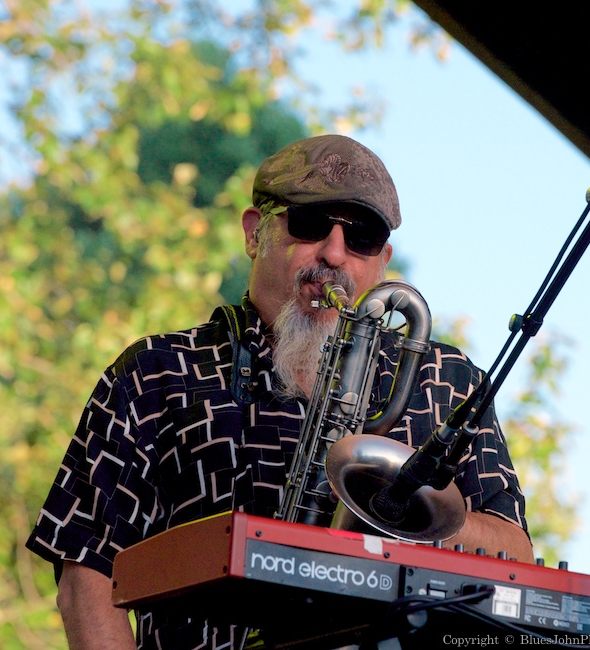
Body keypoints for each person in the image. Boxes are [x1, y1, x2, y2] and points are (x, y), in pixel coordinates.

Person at [27, 134, 534, 650]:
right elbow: (86, 575)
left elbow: (515, 554)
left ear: (383, 259)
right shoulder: (156, 372)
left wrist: (405, 513)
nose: (334, 253)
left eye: (361, 238)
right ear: (254, 232)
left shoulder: (446, 378)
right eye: (310, 224)